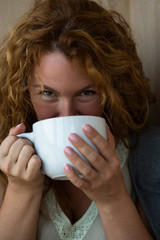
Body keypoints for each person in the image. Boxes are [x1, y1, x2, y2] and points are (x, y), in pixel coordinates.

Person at [0, 0, 156, 239]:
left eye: (86, 92)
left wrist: (112, 199)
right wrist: (21, 192)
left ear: (113, 90)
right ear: (24, 92)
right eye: (48, 93)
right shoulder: (7, 164)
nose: (67, 113)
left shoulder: (148, 158)